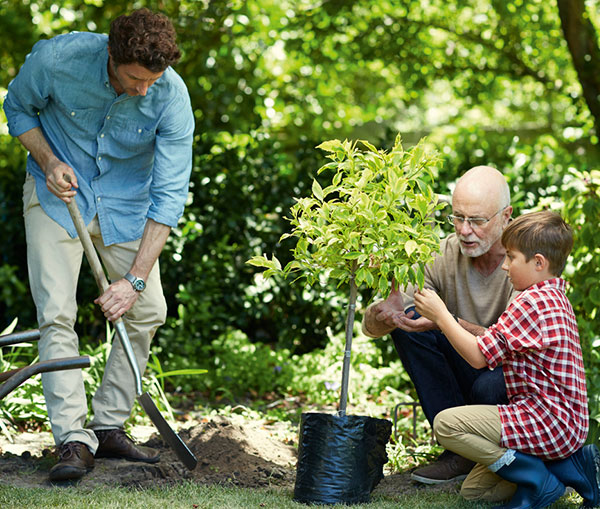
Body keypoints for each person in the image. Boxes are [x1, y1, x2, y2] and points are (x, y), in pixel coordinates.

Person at [3, 8, 194, 482]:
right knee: (56, 313)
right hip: (56, 198)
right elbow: (18, 107)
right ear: (112, 55)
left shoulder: (171, 96)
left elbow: (169, 197)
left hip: (127, 208)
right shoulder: (57, 59)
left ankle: (108, 426)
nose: (144, 89)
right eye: (135, 78)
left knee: (148, 309)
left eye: (153, 79)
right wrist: (47, 159)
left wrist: (132, 281)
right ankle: (72, 438)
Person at [414, 210, 598, 508]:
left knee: (446, 425)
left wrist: (441, 316)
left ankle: (535, 476)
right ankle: (566, 467)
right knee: (475, 492)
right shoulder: (554, 296)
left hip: (546, 421)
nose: (504, 267)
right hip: (562, 423)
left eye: (511, 258)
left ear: (539, 263)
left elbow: (477, 357)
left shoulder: (530, 302)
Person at [362, 165, 517, 484]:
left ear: (506, 216)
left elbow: (514, 347)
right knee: (412, 323)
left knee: (490, 382)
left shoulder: (526, 260)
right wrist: (384, 316)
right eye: (458, 217)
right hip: (468, 373)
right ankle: (458, 451)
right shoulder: (444, 253)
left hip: (511, 384)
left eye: (476, 221)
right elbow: (374, 327)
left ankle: (498, 454)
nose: (464, 230)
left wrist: (447, 321)